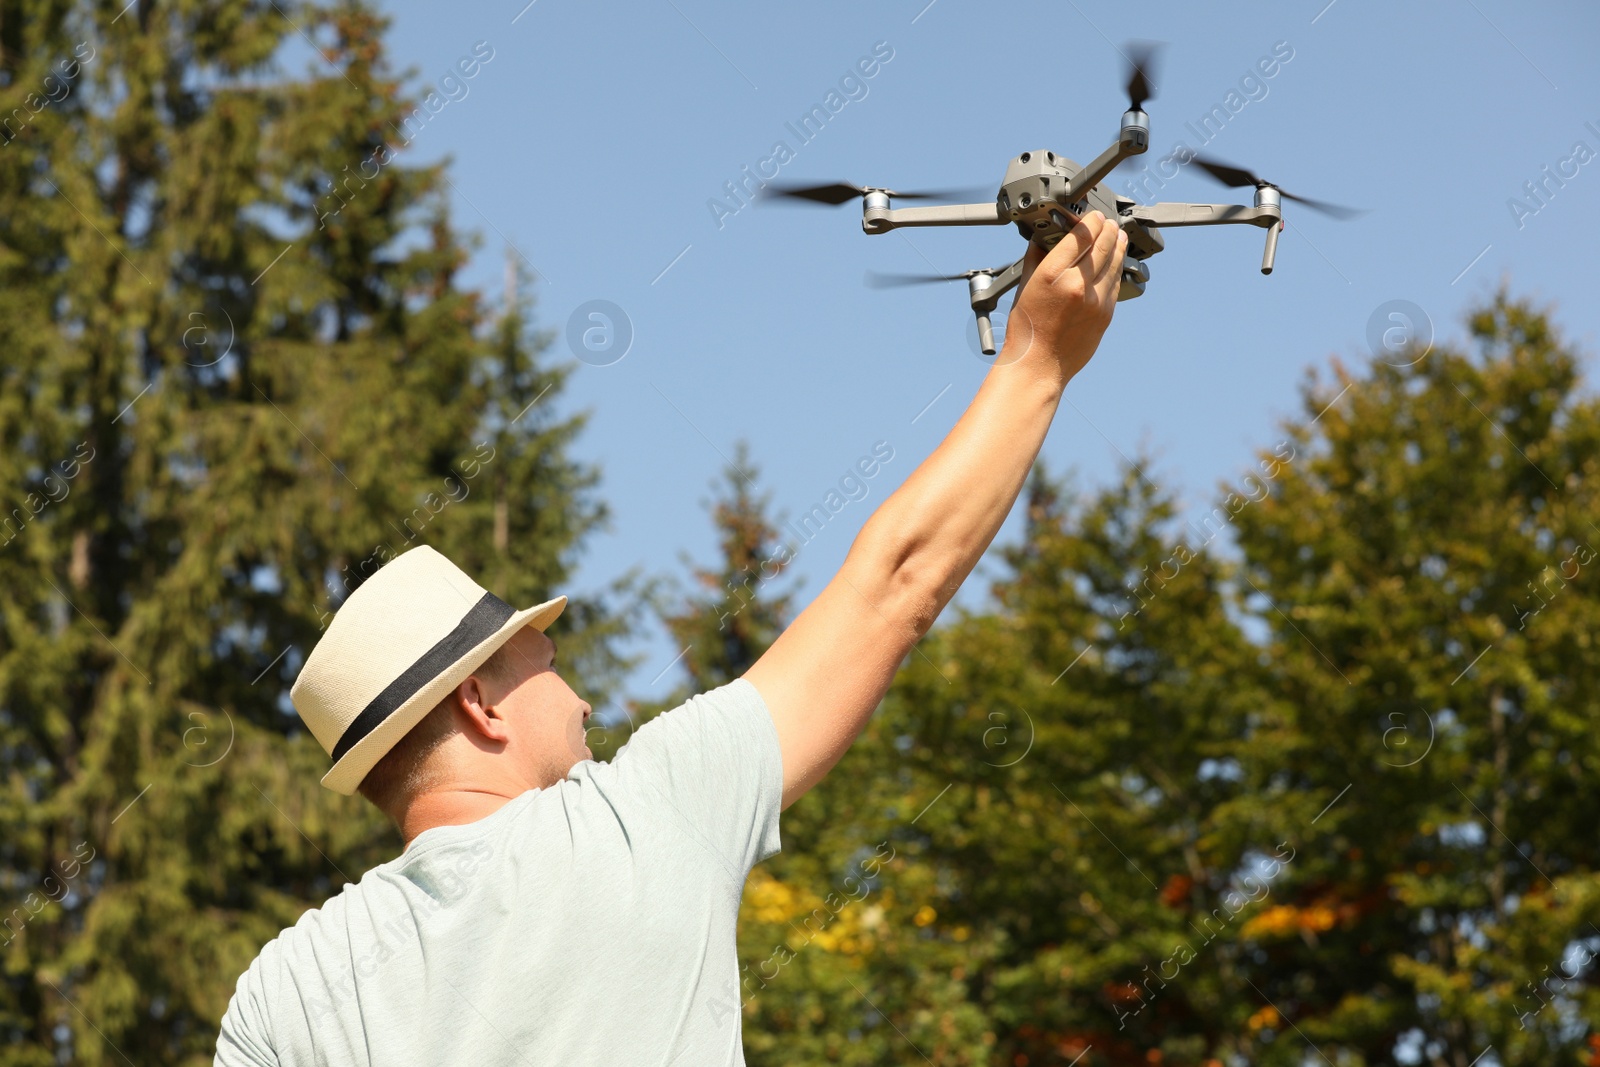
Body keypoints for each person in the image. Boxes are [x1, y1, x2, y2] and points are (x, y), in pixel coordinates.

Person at [213, 211, 1128, 1065]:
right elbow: (896, 585)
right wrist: (1038, 359)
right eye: (549, 668)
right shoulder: (640, 817)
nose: (583, 702)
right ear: (480, 704)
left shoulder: (283, 994)